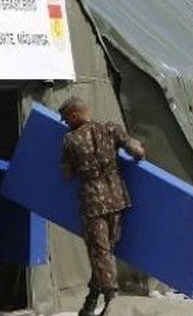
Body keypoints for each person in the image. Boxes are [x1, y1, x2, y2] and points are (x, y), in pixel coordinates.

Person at [59, 97, 145, 316]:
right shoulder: (110, 128)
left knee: (100, 254)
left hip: (92, 203)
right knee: (106, 253)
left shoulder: (70, 140)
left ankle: (111, 302)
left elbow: (67, 175)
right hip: (117, 198)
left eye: (67, 118)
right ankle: (89, 303)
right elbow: (137, 151)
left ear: (76, 115)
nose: (66, 123)